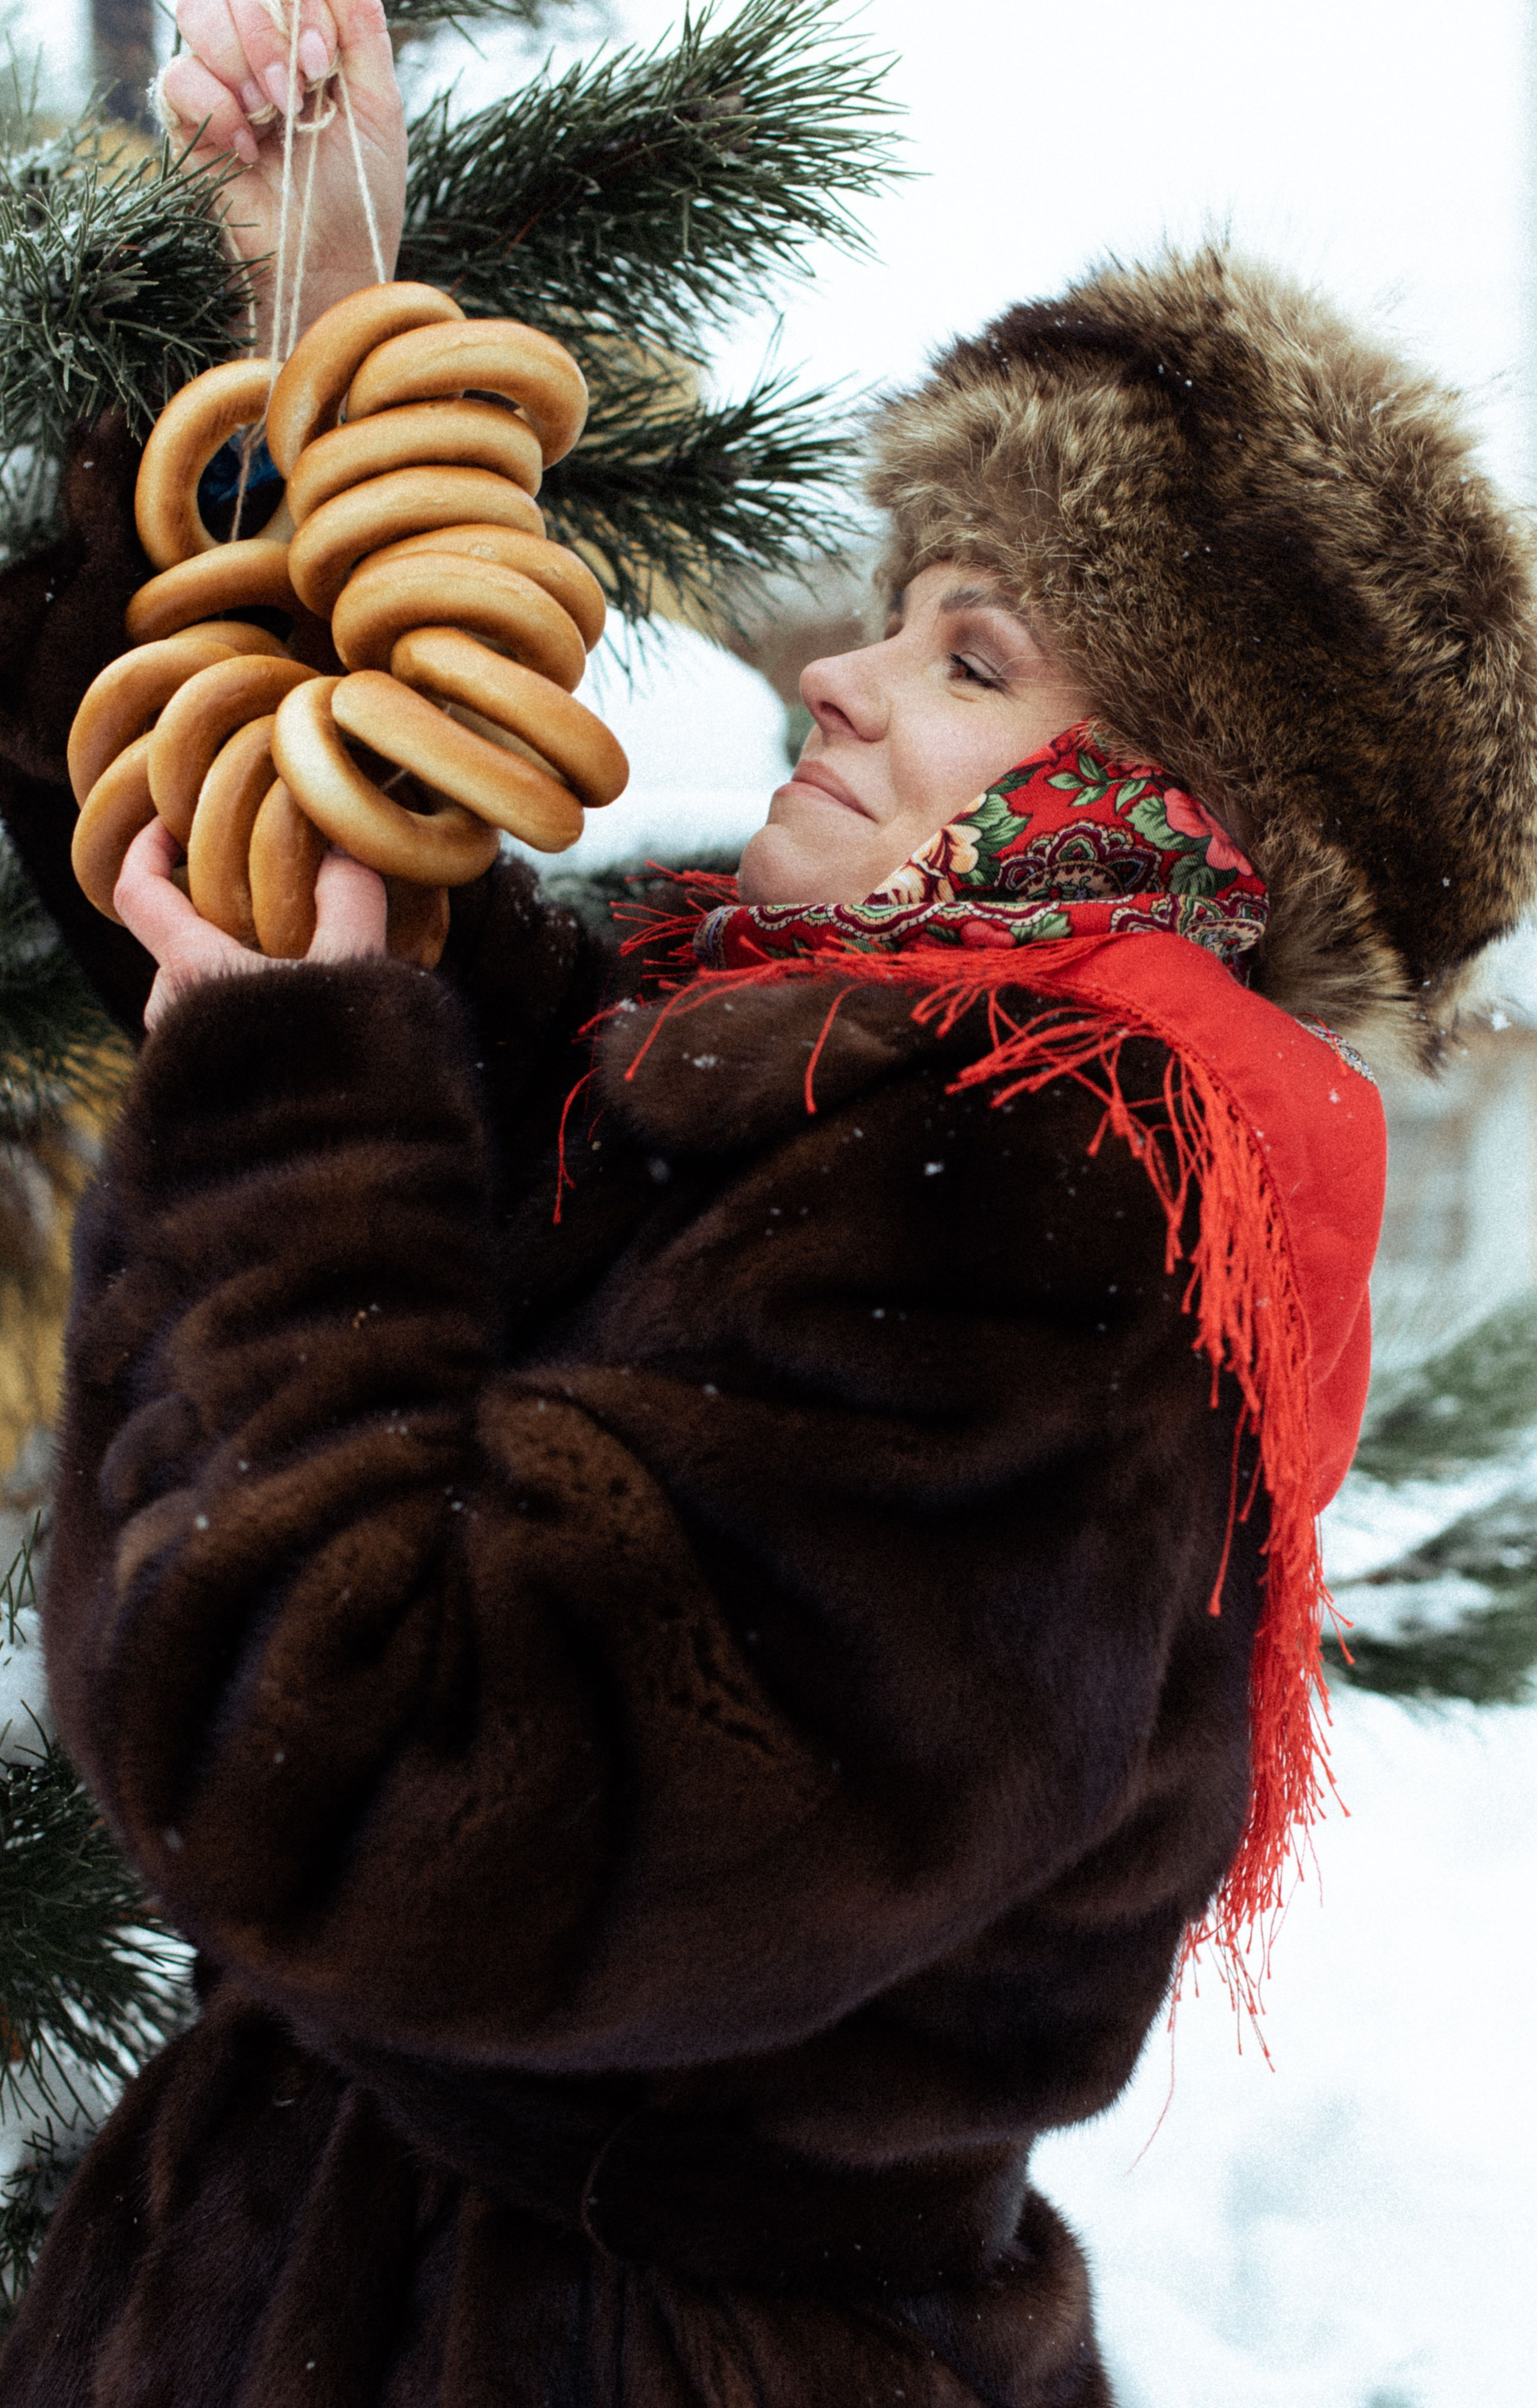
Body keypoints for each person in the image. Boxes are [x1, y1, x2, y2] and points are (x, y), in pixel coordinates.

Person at [1, 5, 1535, 2402]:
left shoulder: (1051, 1241)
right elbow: (327, 921)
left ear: (1176, 819)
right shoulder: (780, 1080)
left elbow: (390, 1787)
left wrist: (284, 1120)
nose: (838, 675)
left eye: (968, 652)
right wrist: (311, 289)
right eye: (901, 602)